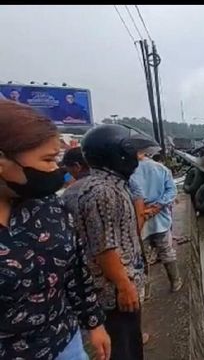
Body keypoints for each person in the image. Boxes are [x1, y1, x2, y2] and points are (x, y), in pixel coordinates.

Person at [0, 101, 110, 360]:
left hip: (66, 343)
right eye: (48, 160)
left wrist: (93, 322)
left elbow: (76, 270)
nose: (56, 170)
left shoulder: (47, 206)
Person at [62, 124, 146, 360]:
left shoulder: (81, 188)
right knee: (124, 349)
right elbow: (104, 247)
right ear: (117, 154)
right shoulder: (105, 191)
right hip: (114, 292)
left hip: (102, 290)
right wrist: (124, 285)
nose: (136, 158)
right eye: (131, 152)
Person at [129, 147, 183, 292]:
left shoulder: (129, 171)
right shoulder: (161, 168)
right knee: (166, 251)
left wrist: (145, 210)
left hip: (139, 220)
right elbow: (172, 191)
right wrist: (157, 206)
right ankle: (175, 282)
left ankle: (145, 291)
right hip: (161, 219)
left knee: (141, 257)